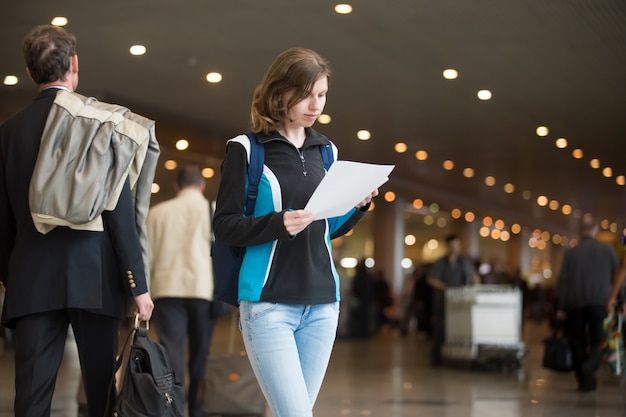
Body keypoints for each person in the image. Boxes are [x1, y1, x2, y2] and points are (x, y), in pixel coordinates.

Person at [212, 47, 379, 417]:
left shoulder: (327, 152)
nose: (315, 104)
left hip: (322, 303)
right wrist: (278, 223)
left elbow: (327, 227)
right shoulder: (247, 149)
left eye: (321, 94)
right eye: (306, 94)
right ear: (280, 92)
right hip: (268, 305)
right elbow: (224, 226)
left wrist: (358, 205)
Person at [0, 25, 157, 417]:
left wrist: (11, 273)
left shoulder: (8, 133)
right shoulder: (97, 124)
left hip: (32, 280)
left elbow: (1, 220)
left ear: (30, 70)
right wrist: (137, 285)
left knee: (31, 401)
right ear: (73, 64)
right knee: (102, 395)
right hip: (94, 278)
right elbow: (119, 214)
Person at [146, 165, 217, 417]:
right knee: (200, 353)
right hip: (203, 290)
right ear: (202, 185)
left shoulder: (157, 213)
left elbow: (148, 256)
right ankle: (196, 409)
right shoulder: (213, 210)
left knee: (171, 350)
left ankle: (174, 407)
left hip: (167, 289)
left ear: (176, 186)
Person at [556, 217, 618, 392]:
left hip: (575, 303)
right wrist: (620, 298)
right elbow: (617, 277)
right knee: (598, 338)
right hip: (600, 302)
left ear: (580, 232)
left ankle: (583, 381)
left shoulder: (570, 253)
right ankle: (590, 365)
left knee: (577, 340)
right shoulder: (607, 250)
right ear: (596, 231)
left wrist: (561, 307)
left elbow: (563, 282)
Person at [426, 233, 480, 366]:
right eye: (452, 245)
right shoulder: (440, 262)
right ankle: (436, 357)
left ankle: (457, 357)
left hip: (459, 299)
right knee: (440, 327)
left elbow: (474, 277)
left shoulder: (464, 262)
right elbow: (431, 279)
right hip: (443, 299)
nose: (454, 248)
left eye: (456, 245)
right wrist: (443, 287)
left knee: (459, 327)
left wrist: (475, 289)